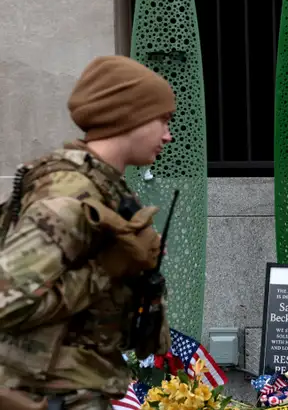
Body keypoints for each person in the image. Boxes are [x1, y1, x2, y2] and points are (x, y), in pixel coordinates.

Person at [0, 56, 175, 410]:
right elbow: (7, 302)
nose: (168, 135)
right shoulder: (68, 195)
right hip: (48, 396)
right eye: (163, 120)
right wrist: (108, 268)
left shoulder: (106, 190)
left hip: (73, 392)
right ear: (131, 116)